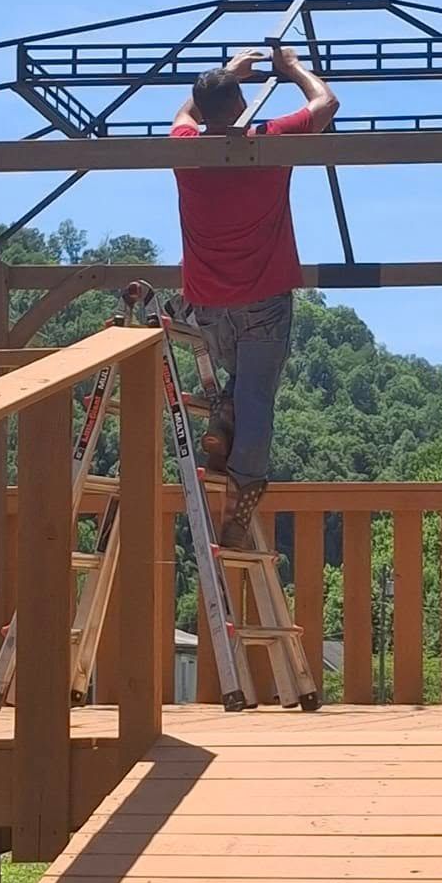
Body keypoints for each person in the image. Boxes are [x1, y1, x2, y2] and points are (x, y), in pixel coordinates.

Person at [170, 43, 339, 545]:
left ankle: (224, 417)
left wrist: (225, 75)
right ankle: (239, 504)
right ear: (242, 105)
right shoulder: (268, 142)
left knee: (243, 386)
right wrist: (292, 69)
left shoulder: (184, 150)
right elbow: (326, 104)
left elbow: (184, 113)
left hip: (209, 308)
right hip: (263, 300)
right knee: (257, 398)